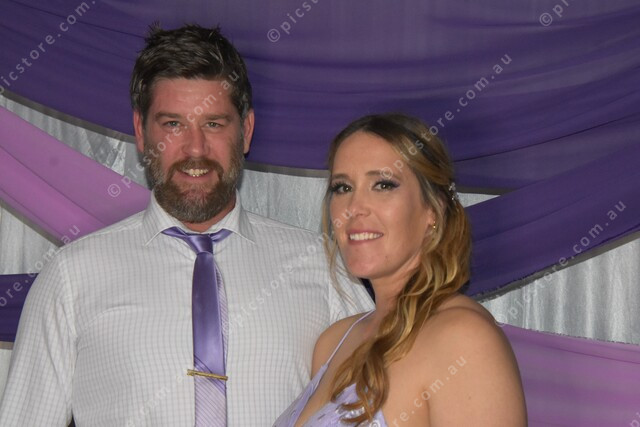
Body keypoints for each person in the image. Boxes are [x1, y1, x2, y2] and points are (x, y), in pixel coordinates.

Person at [0, 24, 372, 426]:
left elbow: (380, 406)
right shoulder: (71, 278)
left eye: (214, 124)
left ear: (246, 131)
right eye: (173, 124)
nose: (195, 149)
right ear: (141, 132)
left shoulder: (323, 269)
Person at [275, 114, 527, 426]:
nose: (354, 207)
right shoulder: (334, 341)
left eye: (383, 185)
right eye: (342, 187)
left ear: (432, 210)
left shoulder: (463, 339)